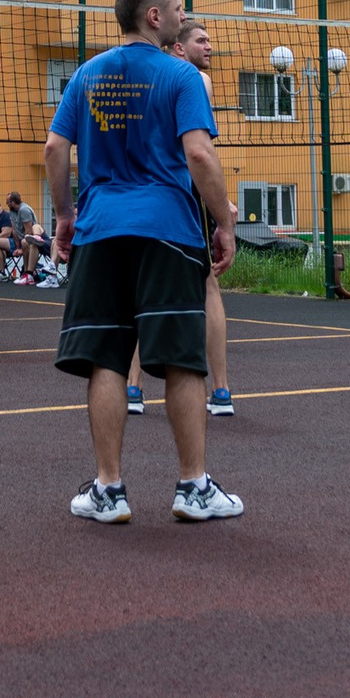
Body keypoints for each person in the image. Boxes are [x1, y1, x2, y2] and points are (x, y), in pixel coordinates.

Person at [45, 0, 243, 524]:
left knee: (106, 358)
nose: (182, 15)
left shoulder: (87, 73)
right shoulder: (182, 75)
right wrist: (223, 221)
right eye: (176, 7)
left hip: (101, 229)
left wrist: (64, 215)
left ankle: (108, 489)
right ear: (154, 17)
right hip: (168, 230)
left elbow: (55, 147)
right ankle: (193, 488)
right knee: (182, 360)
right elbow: (199, 154)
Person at [129, 22, 237, 417]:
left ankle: (133, 388)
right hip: (182, 193)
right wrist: (221, 205)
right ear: (178, 47)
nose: (209, 46)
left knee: (141, 288)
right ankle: (220, 391)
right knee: (206, 286)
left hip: (144, 192)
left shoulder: (144, 77)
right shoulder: (194, 79)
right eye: (201, 40)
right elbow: (200, 151)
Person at [3, 191, 40, 282]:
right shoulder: (12, 211)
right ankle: (4, 273)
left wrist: (22, 248)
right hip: (21, 240)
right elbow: (14, 230)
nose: (7, 204)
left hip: (33, 239)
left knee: (24, 242)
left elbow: (29, 231)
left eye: (7, 202)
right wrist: (17, 247)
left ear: (12, 203)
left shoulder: (24, 210)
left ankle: (27, 273)